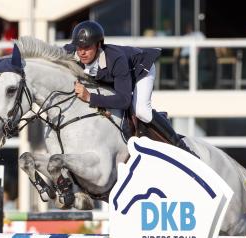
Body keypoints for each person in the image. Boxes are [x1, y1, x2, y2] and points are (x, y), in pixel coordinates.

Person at [65, 20, 191, 153]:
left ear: (98, 45)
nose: (82, 53)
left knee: (142, 111)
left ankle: (182, 147)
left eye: (87, 48)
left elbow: (125, 100)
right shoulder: (71, 51)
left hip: (141, 69)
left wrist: (90, 97)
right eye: (79, 47)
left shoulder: (116, 59)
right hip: (117, 77)